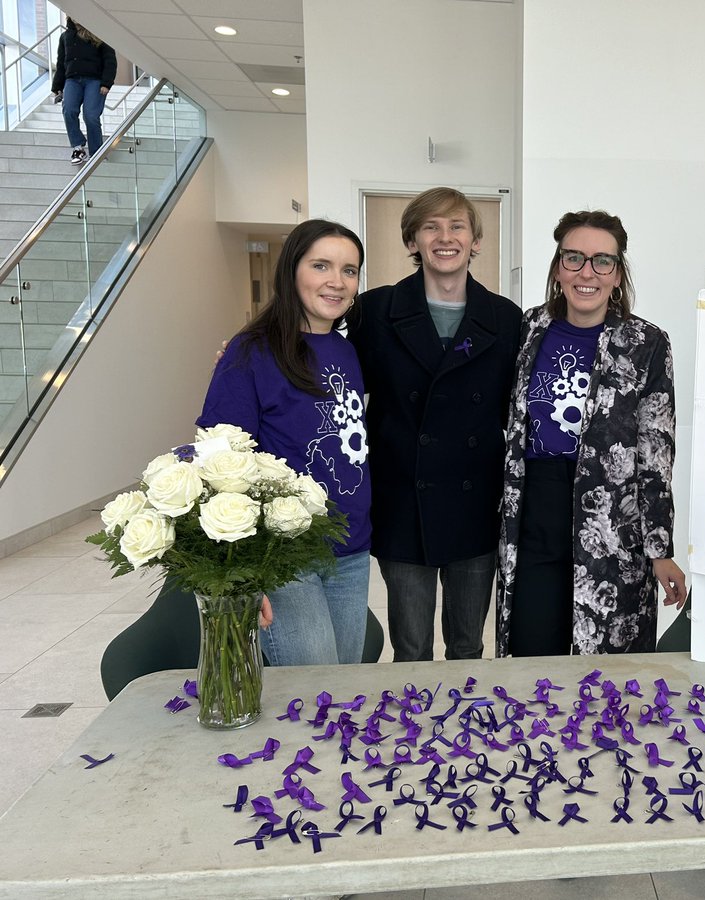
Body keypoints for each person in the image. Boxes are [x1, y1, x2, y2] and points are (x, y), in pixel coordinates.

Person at [495, 210, 687, 657]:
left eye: (602, 261)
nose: (587, 272)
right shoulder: (527, 331)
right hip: (535, 511)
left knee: (604, 661)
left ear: (617, 274)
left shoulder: (646, 344)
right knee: (531, 650)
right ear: (558, 268)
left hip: (613, 524)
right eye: (574, 258)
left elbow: (656, 451)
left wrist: (659, 548)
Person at [348, 188, 522, 661]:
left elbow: (521, 404)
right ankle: (413, 731)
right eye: (431, 227)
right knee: (411, 648)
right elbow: (331, 372)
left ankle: (466, 730)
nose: (445, 238)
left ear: (475, 241)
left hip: (476, 503)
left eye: (457, 226)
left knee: (468, 645)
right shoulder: (374, 312)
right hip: (404, 501)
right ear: (413, 240)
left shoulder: (505, 319)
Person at [198, 219, 371, 666]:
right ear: (292, 270)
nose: (337, 281)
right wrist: (242, 574)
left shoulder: (347, 350)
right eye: (321, 265)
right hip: (284, 555)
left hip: (350, 550)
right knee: (315, 693)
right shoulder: (250, 352)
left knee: (343, 686)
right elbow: (219, 463)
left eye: (349, 270)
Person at [51, 18, 117, 167]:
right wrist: (57, 87)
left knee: (91, 116)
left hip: (94, 81)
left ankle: (96, 152)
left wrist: (106, 82)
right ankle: (78, 148)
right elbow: (61, 63)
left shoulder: (99, 34)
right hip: (72, 80)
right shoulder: (66, 37)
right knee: (68, 110)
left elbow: (110, 60)